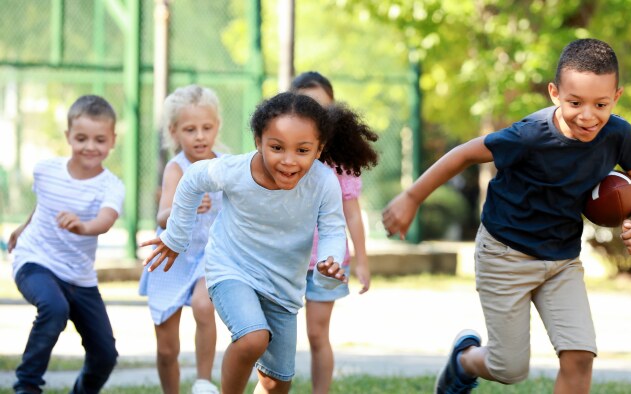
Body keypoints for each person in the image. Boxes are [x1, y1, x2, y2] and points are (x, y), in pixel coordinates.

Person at [382, 38, 631, 394]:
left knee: (580, 356)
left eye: (600, 104)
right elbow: (463, 154)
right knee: (509, 368)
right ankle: (464, 361)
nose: (588, 115)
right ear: (555, 93)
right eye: (575, 102)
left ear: (616, 97)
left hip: (561, 261)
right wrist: (411, 198)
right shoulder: (529, 135)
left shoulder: (618, 135)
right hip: (505, 254)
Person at [141, 91, 379, 394]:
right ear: (258, 141)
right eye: (276, 147)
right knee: (253, 338)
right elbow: (192, 179)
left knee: (277, 381)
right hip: (231, 269)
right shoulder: (236, 170)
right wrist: (175, 236)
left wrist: (329, 258)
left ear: (319, 149)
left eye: (302, 150)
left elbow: (332, 228)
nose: (289, 160)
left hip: (283, 286)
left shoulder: (323, 182)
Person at [8, 95, 124, 394]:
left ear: (112, 140)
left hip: (79, 276)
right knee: (53, 307)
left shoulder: (112, 186)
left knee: (105, 355)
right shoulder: (45, 170)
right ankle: (27, 386)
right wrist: (23, 227)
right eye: (81, 138)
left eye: (100, 139)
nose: (90, 146)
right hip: (35, 262)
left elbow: (106, 220)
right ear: (68, 136)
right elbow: (43, 205)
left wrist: (83, 226)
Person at [290, 71, 376, 394]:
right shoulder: (284, 158)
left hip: (327, 261)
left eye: (323, 108)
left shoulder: (341, 163)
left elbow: (352, 215)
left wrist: (363, 261)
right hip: (286, 258)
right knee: (273, 332)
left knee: (316, 334)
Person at [138, 85, 223, 394]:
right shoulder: (176, 168)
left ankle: (203, 382)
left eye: (206, 128)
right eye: (190, 129)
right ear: (174, 132)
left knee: (204, 305)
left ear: (217, 127)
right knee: (166, 349)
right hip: (172, 255)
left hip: (210, 255)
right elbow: (162, 217)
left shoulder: (226, 165)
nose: (199, 136)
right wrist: (181, 208)